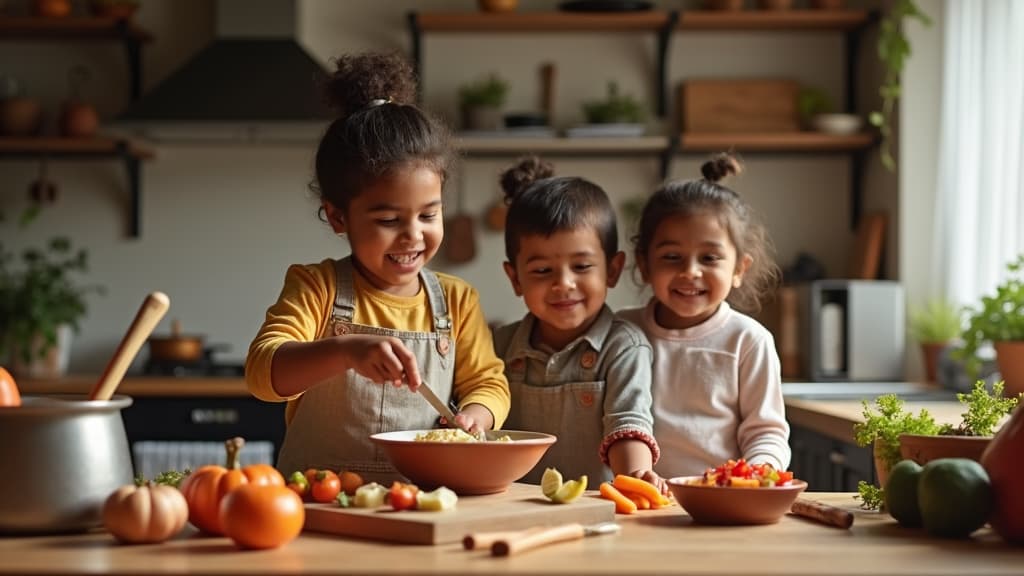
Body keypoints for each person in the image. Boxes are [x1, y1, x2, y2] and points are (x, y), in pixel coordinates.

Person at [245, 52, 511, 481]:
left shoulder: (457, 301)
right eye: (389, 220)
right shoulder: (317, 287)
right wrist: (347, 350)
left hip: (419, 503)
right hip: (318, 506)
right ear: (338, 218)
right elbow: (263, 372)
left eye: (429, 215)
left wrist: (477, 417)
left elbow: (489, 383)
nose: (412, 235)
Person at [492, 156, 663, 489]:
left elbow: (627, 420)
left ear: (612, 270)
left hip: (594, 509)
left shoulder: (623, 346)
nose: (563, 284)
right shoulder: (499, 345)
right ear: (515, 279)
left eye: (582, 267)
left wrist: (636, 476)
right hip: (510, 507)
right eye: (542, 271)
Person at [618, 152, 791, 478]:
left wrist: (757, 473)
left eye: (710, 258)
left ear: (739, 268)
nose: (690, 272)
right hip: (640, 502)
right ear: (644, 265)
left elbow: (766, 431)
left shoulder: (749, 341)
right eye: (672, 257)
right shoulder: (622, 331)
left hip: (720, 500)